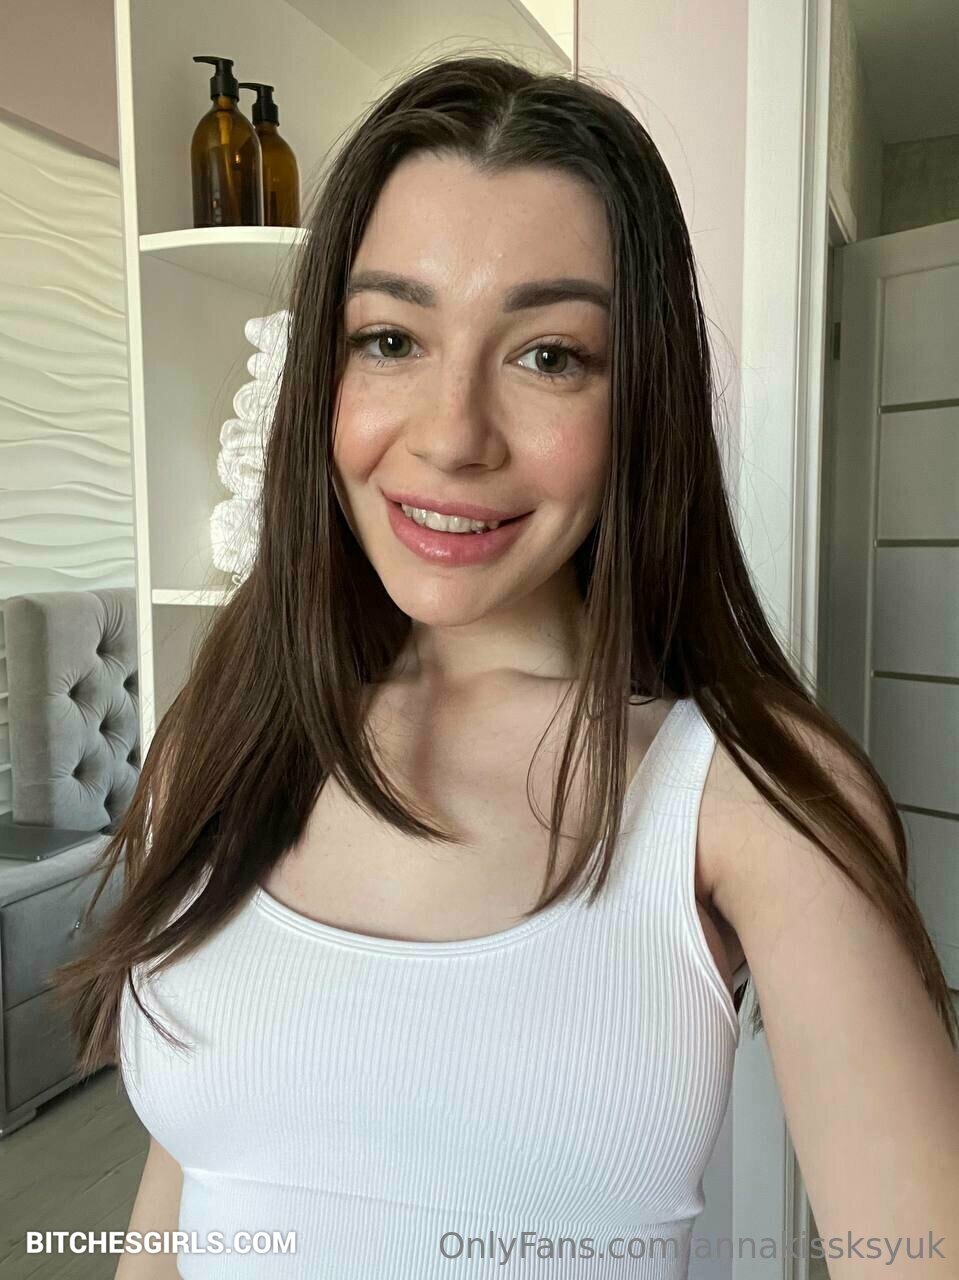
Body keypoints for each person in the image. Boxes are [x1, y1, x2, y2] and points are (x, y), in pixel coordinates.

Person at [54, 54, 958, 1279]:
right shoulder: (224, 736)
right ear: (324, 375)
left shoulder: (747, 799)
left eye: (547, 356)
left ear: (639, 398)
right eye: (390, 338)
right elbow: (195, 1174)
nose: (451, 437)